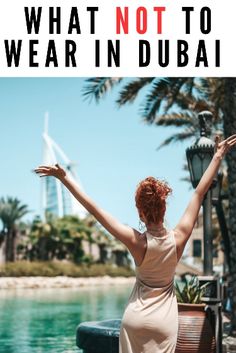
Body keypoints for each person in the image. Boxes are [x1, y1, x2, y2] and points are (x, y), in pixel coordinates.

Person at [35, 134, 236, 353]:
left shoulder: (137, 242)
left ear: (141, 213)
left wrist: (64, 179)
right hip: (164, 324)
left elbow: (94, 209)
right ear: (164, 208)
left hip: (135, 319)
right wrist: (217, 156)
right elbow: (199, 192)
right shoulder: (179, 238)